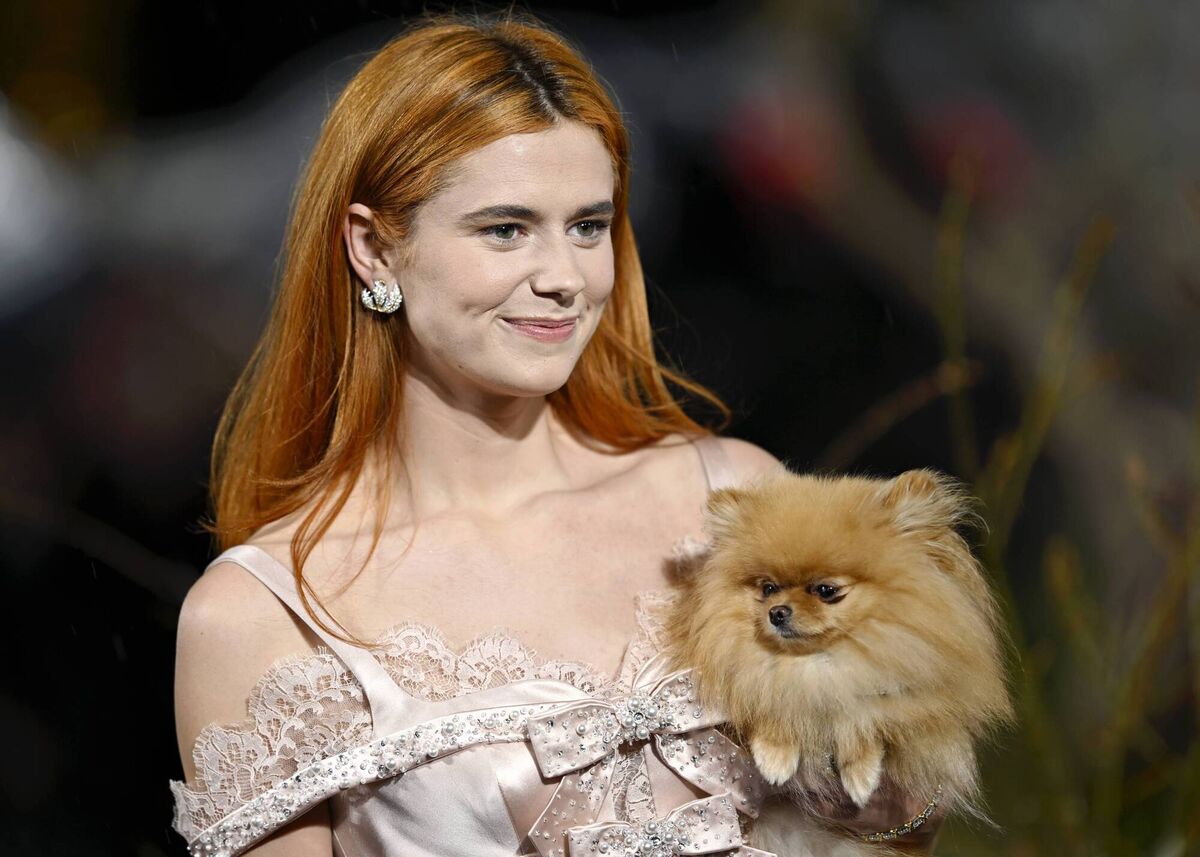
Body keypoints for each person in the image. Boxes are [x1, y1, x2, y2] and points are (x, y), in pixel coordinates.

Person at [170, 12, 944, 856]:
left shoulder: (730, 497)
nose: (564, 278)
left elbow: (899, 830)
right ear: (373, 249)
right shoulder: (266, 614)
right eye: (505, 229)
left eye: (587, 226)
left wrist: (891, 792)